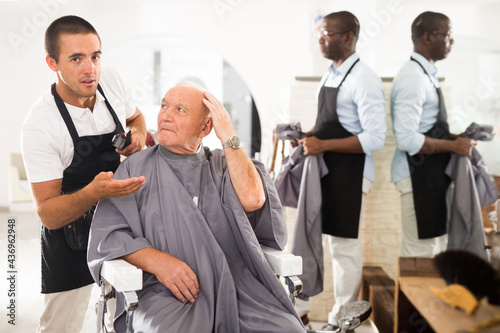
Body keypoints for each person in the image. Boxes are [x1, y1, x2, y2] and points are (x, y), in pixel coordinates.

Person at [87, 82, 305, 333]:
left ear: (206, 127)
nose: (165, 115)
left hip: (240, 291)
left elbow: (254, 199)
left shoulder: (226, 165)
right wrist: (159, 262)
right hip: (165, 295)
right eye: (164, 106)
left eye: (180, 110)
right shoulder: (134, 169)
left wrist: (229, 137)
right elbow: (108, 236)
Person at [21, 15, 147, 333]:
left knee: (125, 318)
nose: (90, 68)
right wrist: (94, 192)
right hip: (69, 240)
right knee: (60, 327)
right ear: (53, 63)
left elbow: (137, 118)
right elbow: (48, 213)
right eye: (76, 58)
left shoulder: (112, 81)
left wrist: (138, 137)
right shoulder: (40, 126)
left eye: (95, 56)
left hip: (120, 229)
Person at [293, 11, 386, 330]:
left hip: (352, 174)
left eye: (328, 34)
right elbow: (328, 125)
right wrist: (306, 136)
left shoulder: (364, 78)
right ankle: (306, 311)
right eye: (320, 33)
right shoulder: (330, 74)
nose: (321, 38)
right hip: (328, 172)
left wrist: (323, 145)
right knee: (312, 238)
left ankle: (344, 318)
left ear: (349, 37)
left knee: (343, 245)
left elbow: (375, 137)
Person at [390, 11, 476, 258]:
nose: (452, 41)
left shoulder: (425, 73)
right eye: (448, 35)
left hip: (429, 175)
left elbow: (426, 126)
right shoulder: (413, 78)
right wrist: (453, 147)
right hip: (416, 175)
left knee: (433, 251)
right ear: (428, 37)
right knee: (419, 253)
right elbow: (407, 139)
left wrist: (455, 137)